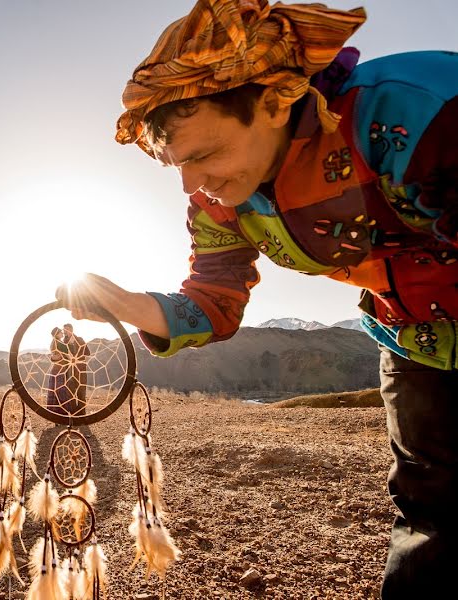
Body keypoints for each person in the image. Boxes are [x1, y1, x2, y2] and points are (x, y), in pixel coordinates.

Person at [56, 1, 458, 597]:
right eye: (175, 165)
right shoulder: (223, 200)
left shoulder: (415, 111)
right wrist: (123, 304)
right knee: (433, 516)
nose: (192, 184)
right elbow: (214, 300)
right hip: (414, 345)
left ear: (273, 99)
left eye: (203, 155)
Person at [63, 323, 91, 414]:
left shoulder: (80, 340)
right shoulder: (64, 342)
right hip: (69, 372)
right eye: (64, 330)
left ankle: (82, 415)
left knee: (81, 393)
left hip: (80, 371)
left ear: (71, 330)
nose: (65, 332)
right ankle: (74, 415)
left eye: (66, 330)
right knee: (70, 395)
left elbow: (87, 352)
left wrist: (77, 355)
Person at [45, 326, 73, 415]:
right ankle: (62, 413)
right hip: (60, 370)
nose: (62, 333)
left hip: (56, 369)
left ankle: (54, 414)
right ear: (57, 334)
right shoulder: (59, 343)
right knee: (61, 391)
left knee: (55, 391)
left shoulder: (54, 342)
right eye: (60, 332)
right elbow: (65, 355)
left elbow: (55, 356)